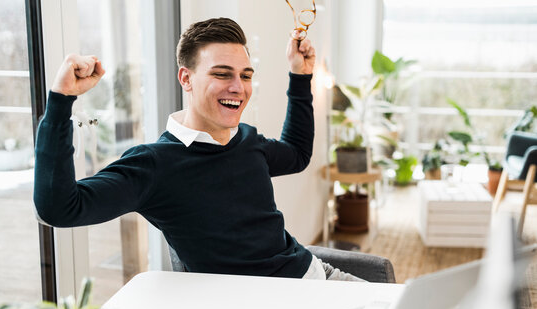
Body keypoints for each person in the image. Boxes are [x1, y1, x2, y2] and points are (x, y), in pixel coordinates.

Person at [34, 17, 362, 281]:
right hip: (260, 308)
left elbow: (297, 154)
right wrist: (62, 100)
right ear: (186, 79)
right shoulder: (154, 165)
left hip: (318, 277)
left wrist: (300, 76)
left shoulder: (247, 140)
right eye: (222, 74)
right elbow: (59, 208)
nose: (238, 87)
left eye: (245, 76)